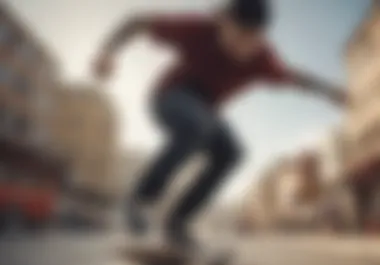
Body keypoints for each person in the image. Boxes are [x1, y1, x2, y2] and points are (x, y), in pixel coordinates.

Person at [92, 0, 346, 251]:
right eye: (237, 37)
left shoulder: (263, 59)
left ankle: (178, 222)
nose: (242, 48)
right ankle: (139, 199)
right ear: (223, 22)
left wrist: (329, 92)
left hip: (206, 112)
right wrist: (108, 51)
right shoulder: (200, 29)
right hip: (169, 97)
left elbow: (295, 77)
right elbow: (137, 22)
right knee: (196, 126)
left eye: (252, 39)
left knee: (232, 153)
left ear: (262, 35)